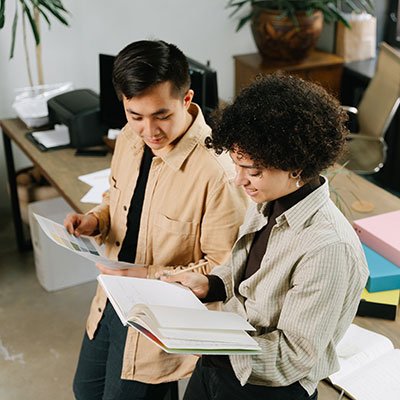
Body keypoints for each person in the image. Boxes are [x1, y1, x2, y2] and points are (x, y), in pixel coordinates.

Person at [161, 74, 369, 400]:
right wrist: (212, 285)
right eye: (236, 165)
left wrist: (207, 344)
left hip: (268, 388)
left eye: (252, 170)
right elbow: (250, 272)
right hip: (223, 360)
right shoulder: (268, 201)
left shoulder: (328, 248)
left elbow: (293, 357)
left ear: (295, 165)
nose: (238, 180)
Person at [64, 39, 248, 400]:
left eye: (161, 115)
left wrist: (147, 275)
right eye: (135, 116)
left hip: (159, 318)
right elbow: (118, 200)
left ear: (187, 99)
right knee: (84, 390)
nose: (149, 131)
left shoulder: (216, 171)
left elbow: (225, 268)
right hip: (112, 300)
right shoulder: (129, 141)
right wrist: (95, 221)